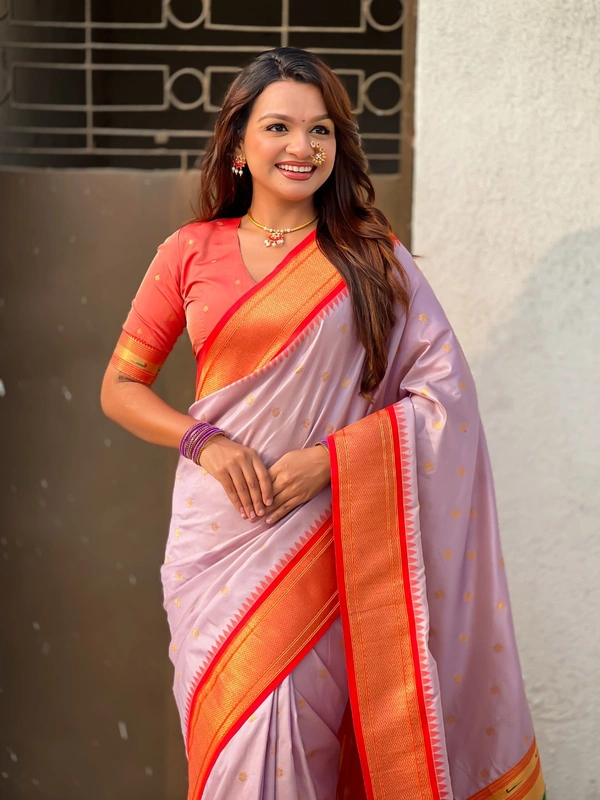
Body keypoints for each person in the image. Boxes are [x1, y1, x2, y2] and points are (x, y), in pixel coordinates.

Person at [101, 47, 545, 800]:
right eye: (278, 126)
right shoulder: (189, 252)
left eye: (321, 130)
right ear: (238, 142)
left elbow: (446, 400)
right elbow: (120, 386)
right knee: (234, 746)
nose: (302, 146)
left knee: (301, 748)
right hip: (217, 543)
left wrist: (332, 461)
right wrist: (205, 443)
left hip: (326, 540)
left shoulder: (372, 258)